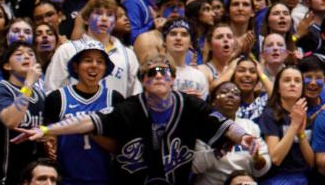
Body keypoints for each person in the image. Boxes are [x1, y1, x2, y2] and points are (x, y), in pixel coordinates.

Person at [18, 55, 262, 185]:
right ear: (143, 81)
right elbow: (88, 121)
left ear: (172, 79)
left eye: (163, 73)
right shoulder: (130, 108)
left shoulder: (190, 105)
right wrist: (45, 129)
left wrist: (244, 136)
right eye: (150, 74)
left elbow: (225, 125)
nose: (158, 77)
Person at [41, 41, 113, 185]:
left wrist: (87, 127)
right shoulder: (57, 98)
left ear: (105, 69)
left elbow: (117, 146)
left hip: (105, 179)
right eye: (87, 60)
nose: (94, 65)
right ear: (76, 66)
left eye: (100, 61)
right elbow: (48, 137)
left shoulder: (115, 98)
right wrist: (49, 142)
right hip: (66, 179)